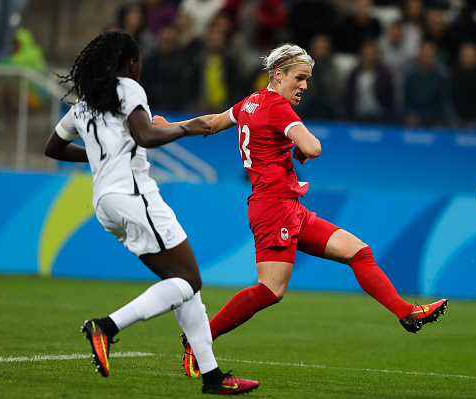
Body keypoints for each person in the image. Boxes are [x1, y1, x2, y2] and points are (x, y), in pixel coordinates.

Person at [153, 42, 448, 379]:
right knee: (270, 290)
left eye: (307, 79)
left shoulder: (249, 102)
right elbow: (315, 147)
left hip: (288, 207)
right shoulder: (278, 108)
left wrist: (170, 127)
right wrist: (301, 144)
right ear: (278, 75)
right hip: (273, 208)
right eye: (299, 78)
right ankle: (198, 339)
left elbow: (210, 124)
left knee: (358, 252)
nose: (304, 86)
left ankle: (407, 312)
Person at [43, 30, 258, 395]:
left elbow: (53, 148)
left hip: (105, 204)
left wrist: (98, 159)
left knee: (184, 287)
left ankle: (213, 378)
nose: (139, 66)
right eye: (138, 60)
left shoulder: (83, 104)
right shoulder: (128, 88)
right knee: (190, 280)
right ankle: (106, 327)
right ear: (129, 63)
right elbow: (145, 136)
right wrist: (186, 127)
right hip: (134, 195)